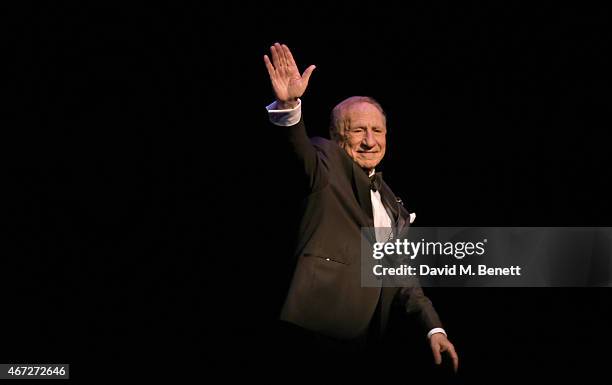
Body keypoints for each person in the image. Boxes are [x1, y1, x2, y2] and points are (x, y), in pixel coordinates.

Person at [263, 42, 459, 374]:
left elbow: (401, 273)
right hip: (316, 326)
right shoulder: (325, 162)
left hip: (367, 342)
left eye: (377, 130)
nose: (370, 140)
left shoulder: (390, 199)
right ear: (337, 136)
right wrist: (289, 105)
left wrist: (433, 327)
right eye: (358, 130)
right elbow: (296, 152)